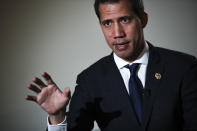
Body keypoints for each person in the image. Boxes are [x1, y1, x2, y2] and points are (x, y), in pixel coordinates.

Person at [26, 0, 197, 131]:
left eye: (124, 20)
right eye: (107, 23)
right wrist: (57, 117)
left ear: (143, 20)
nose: (117, 34)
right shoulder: (89, 80)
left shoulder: (184, 67)